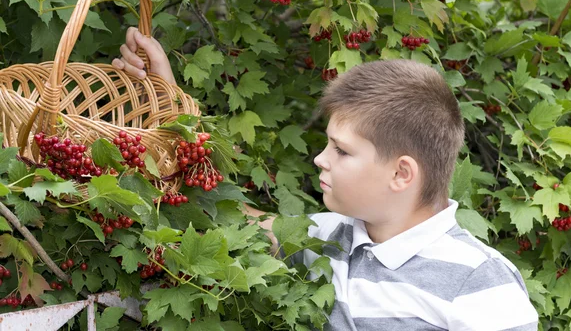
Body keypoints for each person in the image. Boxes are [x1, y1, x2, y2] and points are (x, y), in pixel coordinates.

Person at [114, 27, 539, 331]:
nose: (321, 159)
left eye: (342, 150)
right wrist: (168, 102)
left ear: (401, 173)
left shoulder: (480, 284)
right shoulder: (324, 239)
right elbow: (225, 220)